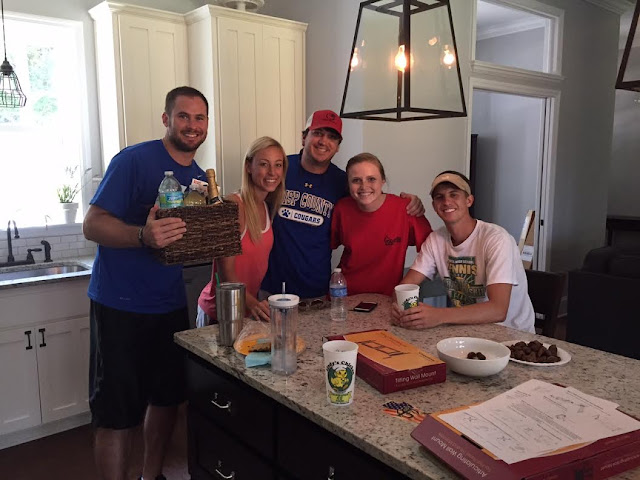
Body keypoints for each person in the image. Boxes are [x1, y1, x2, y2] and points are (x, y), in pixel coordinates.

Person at [83, 86, 210, 480]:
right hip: (119, 305)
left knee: (167, 400)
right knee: (117, 413)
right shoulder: (133, 160)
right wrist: (142, 235)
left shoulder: (199, 179)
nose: (192, 125)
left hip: (168, 304)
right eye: (184, 116)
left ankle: (150, 476)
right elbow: (92, 225)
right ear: (166, 119)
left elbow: (186, 240)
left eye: (200, 118)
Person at [261, 110, 425, 303]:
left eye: (332, 137)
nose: (324, 141)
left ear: (338, 146)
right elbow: (251, 197)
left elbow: (370, 202)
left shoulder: (341, 182)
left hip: (317, 290)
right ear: (304, 137)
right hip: (271, 287)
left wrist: (410, 203)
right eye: (318, 133)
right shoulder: (280, 168)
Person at [392, 170, 535, 333]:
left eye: (454, 195)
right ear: (434, 206)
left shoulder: (496, 239)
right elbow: (406, 285)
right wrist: (401, 310)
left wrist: (438, 315)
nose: (446, 201)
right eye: (439, 197)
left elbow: (498, 310)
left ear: (469, 200)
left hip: (512, 335)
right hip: (467, 331)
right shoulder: (435, 239)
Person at [197, 136, 288, 323]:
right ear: (248, 166)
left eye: (278, 165)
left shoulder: (267, 206)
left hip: (245, 310)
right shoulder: (234, 206)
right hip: (219, 312)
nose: (272, 172)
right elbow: (226, 275)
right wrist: (255, 305)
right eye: (264, 164)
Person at [331, 153, 433, 296]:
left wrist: (407, 286)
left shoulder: (406, 209)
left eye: (371, 179)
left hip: (388, 298)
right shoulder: (342, 209)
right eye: (356, 180)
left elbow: (433, 251)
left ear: (383, 180)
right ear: (348, 184)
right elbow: (325, 245)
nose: (364, 186)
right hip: (345, 295)